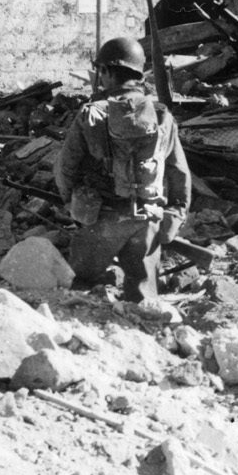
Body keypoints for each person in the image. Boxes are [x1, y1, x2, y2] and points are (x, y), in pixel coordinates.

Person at [53, 36, 191, 302]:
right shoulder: (163, 115)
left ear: (105, 72)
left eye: (100, 71)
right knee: (143, 300)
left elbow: (65, 168)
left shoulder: (91, 114)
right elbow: (179, 173)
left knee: (78, 290)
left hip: (101, 220)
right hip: (147, 220)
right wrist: (176, 213)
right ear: (138, 73)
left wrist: (72, 203)